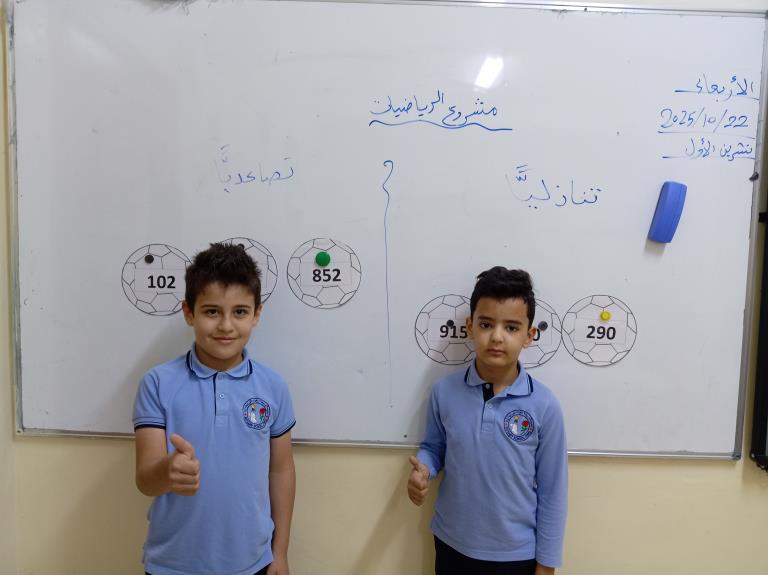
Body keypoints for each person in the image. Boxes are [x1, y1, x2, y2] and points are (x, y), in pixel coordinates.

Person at [133, 243, 296, 575]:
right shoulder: (158, 383)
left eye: (240, 312)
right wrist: (167, 471)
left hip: (252, 562)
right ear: (189, 312)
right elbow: (146, 481)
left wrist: (279, 552)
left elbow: (281, 471)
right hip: (173, 564)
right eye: (211, 312)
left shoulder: (273, 386)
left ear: (257, 314)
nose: (226, 326)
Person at [407, 267, 568, 575]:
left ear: (529, 335)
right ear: (470, 327)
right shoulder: (444, 392)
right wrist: (424, 469)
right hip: (452, 544)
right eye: (486, 324)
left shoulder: (545, 405)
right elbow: (434, 448)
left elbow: (553, 491)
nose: (496, 337)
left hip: (516, 555)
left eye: (511, 327)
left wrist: (547, 564)